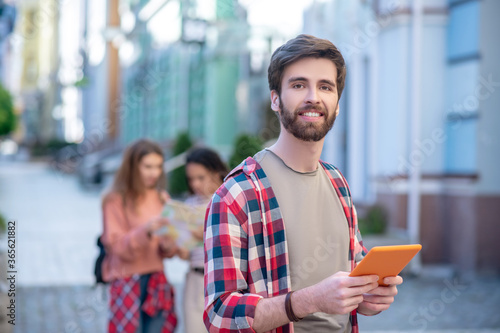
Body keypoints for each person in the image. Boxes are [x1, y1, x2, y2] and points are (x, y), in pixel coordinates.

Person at [203, 34, 403, 333]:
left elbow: (353, 274)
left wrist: (367, 294)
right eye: (298, 85)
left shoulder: (338, 183)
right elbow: (219, 316)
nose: (313, 97)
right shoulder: (237, 194)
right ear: (275, 99)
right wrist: (309, 300)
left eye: (325, 86)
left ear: (336, 103)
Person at [101, 138, 178, 333]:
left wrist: (170, 244)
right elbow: (117, 247)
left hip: (156, 279)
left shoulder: (162, 198)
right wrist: (146, 230)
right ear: (133, 167)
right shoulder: (115, 200)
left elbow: (167, 251)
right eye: (148, 166)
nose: (154, 173)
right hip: (126, 280)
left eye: (159, 166)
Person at [177, 147, 228, 333]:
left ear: (216, 173)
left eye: (201, 177)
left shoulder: (227, 199)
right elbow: (185, 253)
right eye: (191, 179)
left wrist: (207, 235)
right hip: (195, 279)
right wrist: (176, 245)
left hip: (223, 283)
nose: (195, 184)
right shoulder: (189, 204)